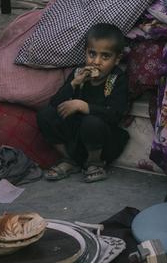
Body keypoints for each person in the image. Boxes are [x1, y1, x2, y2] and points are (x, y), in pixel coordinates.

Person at [37, 23, 130, 183]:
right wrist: (73, 84)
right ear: (85, 52)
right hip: (74, 138)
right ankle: (70, 160)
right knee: (45, 114)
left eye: (105, 56)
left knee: (91, 122)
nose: (96, 62)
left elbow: (115, 114)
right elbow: (55, 104)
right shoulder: (78, 74)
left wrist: (84, 106)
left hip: (101, 140)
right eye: (92, 54)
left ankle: (94, 163)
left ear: (117, 59)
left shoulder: (116, 79)